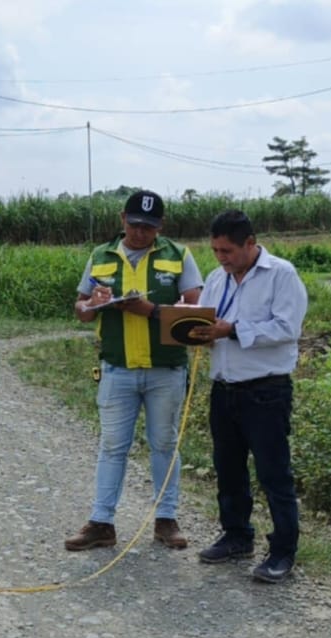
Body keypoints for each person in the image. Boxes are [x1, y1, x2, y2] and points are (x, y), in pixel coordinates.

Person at [65, 190, 203, 552]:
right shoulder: (101, 256)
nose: (141, 233)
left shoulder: (179, 256)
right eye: (136, 225)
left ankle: (166, 520)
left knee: (164, 444)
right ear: (122, 219)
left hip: (166, 369)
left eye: (150, 227)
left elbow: (195, 313)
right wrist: (91, 304)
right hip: (117, 367)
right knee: (112, 446)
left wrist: (150, 310)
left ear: (161, 226)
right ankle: (101, 523)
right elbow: (80, 310)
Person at [188, 209, 308, 583]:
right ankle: (237, 536)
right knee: (228, 469)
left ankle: (283, 551)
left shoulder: (281, 275)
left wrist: (232, 330)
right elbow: (209, 321)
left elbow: (287, 328)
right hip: (224, 389)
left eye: (227, 251)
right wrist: (197, 332)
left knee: (273, 473)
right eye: (215, 250)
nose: (220, 258)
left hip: (265, 392)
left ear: (250, 244)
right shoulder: (216, 279)